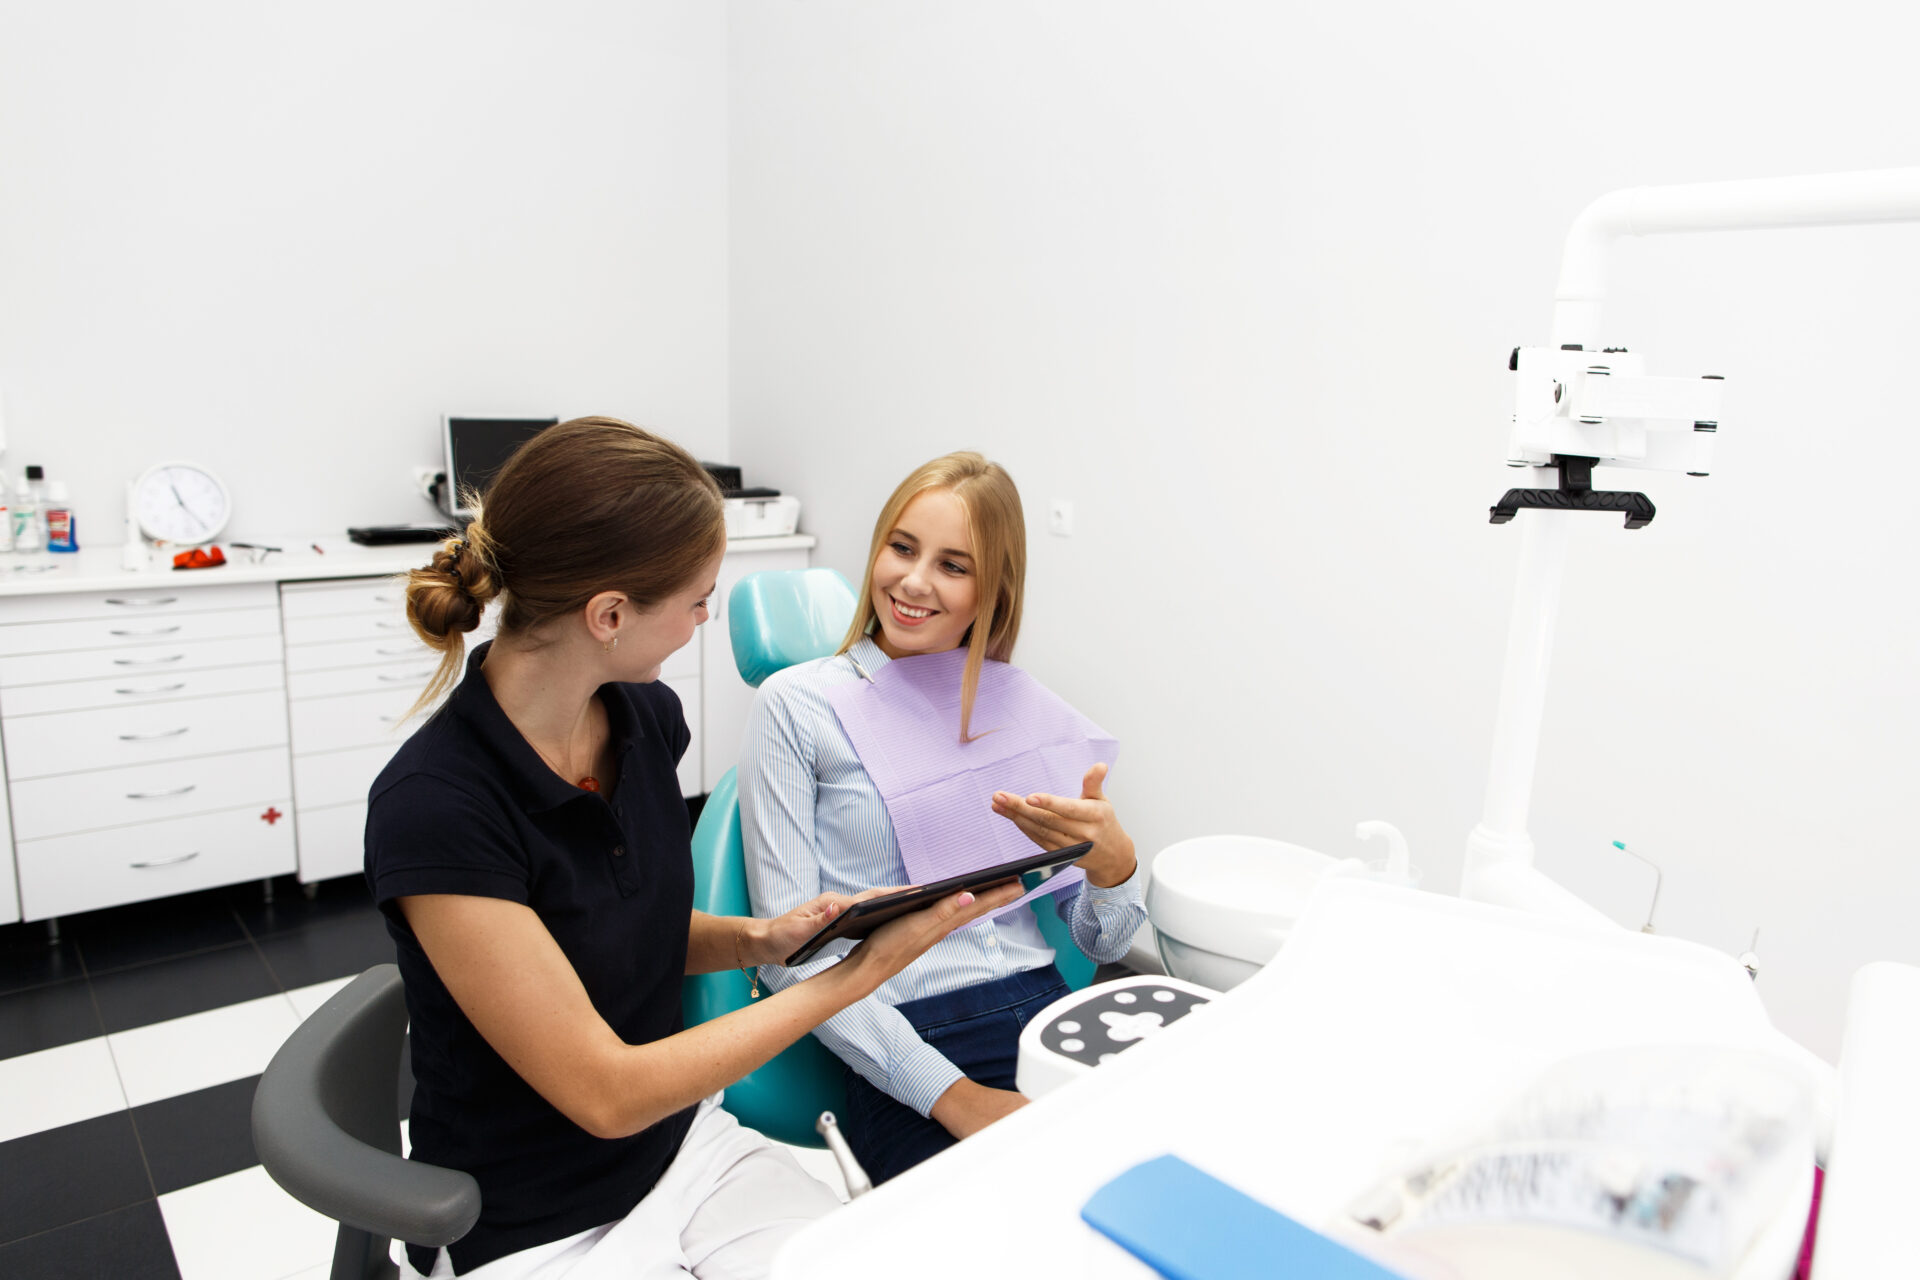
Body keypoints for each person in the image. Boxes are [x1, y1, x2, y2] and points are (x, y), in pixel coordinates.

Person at [365, 419, 1021, 1279]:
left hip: (681, 1148)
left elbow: (612, 926)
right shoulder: (438, 807)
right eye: (698, 598)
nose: (707, 619)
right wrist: (857, 973)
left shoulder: (641, 720)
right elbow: (606, 1093)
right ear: (609, 615)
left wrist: (760, 939)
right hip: (529, 1214)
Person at [739, 452, 1147, 1186]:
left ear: (993, 588)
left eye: (953, 565)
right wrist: (954, 1099)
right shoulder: (798, 705)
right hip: (906, 1032)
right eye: (901, 547)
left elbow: (1101, 939)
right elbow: (785, 955)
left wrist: (1114, 868)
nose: (914, 581)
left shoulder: (1017, 708)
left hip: (1046, 1008)